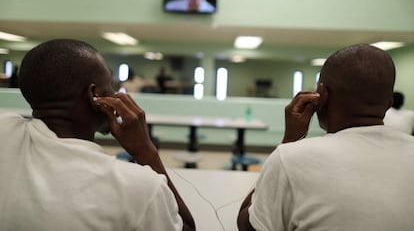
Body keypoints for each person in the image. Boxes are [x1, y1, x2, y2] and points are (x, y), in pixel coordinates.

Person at [0, 39, 195, 231]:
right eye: (109, 83)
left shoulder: (5, 131)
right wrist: (147, 152)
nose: (115, 92)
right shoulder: (138, 186)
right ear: (94, 95)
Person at [237, 44, 414, 230]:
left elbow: (247, 226)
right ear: (389, 103)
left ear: (322, 95)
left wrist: (290, 140)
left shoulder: (291, 158)